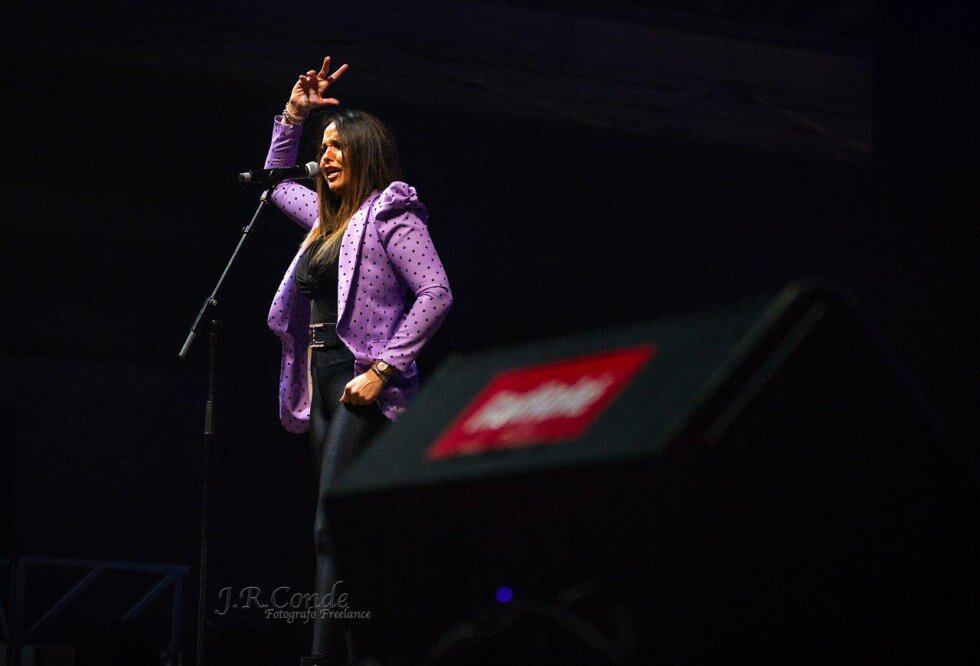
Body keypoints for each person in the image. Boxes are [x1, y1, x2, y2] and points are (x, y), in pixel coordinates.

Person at [262, 56, 453, 664]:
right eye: (323, 146)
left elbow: (437, 292)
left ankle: (321, 658)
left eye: (340, 144)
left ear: (366, 152)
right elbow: (272, 183)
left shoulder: (390, 212)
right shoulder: (323, 221)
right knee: (339, 534)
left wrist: (383, 368)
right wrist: (293, 115)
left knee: (329, 528)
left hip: (361, 382)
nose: (329, 154)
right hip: (320, 383)